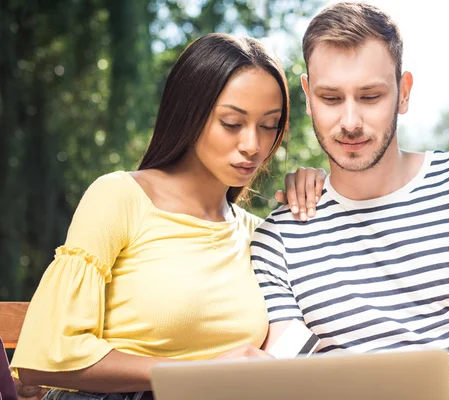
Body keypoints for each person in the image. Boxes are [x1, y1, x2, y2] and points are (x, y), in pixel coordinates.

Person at [251, 3, 449, 400]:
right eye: (330, 98)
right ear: (308, 97)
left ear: (403, 93)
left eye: (369, 96)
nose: (350, 121)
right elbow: (293, 376)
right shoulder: (277, 241)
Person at [10, 33, 323, 400]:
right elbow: (46, 356)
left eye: (268, 126)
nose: (252, 145)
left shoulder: (259, 235)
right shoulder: (121, 197)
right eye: (231, 123)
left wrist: (324, 193)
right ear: (189, 113)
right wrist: (199, 375)